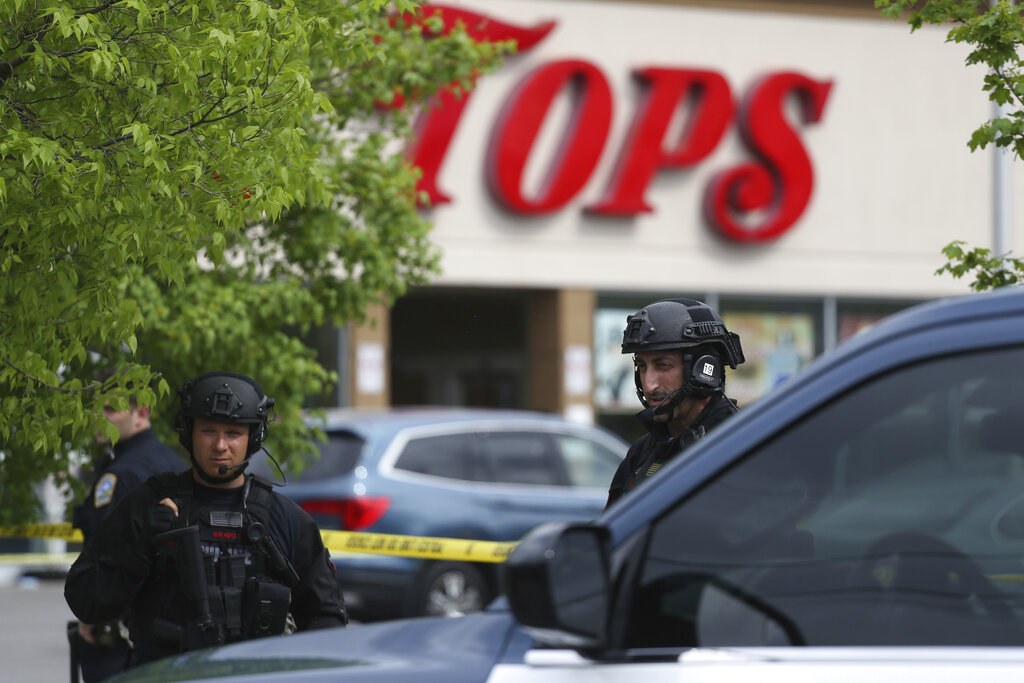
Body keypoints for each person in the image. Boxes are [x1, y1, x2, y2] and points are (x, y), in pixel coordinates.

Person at [65, 371, 347, 668]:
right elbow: (85, 600)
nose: (220, 446)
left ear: (253, 438)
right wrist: (138, 546)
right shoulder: (147, 506)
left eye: (233, 433)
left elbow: (326, 617)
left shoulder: (283, 518)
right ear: (189, 433)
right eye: (208, 431)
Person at [69, 376, 186, 683]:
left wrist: (92, 622)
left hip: (122, 632)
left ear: (142, 413)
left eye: (110, 410)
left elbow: (107, 555)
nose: (98, 417)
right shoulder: (173, 461)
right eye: (94, 409)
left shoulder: (121, 474)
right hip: (169, 628)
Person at [606, 298, 745, 507]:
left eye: (663, 365)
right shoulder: (642, 452)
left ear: (703, 370)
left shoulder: (743, 443)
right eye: (642, 366)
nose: (649, 384)